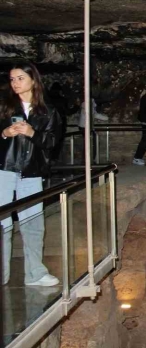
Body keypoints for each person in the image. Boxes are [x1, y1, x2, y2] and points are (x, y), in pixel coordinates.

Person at [0, 62, 61, 287]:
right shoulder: (4, 106)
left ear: (33, 80)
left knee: (33, 223)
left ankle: (35, 273)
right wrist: (4, 134)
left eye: (20, 78)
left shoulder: (48, 111)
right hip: (4, 170)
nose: (15, 83)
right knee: (2, 222)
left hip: (32, 172)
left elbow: (53, 142)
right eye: (12, 79)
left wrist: (33, 132)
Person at [78, 96, 108, 162]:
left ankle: (87, 160)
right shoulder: (89, 104)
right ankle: (89, 160)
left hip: (84, 126)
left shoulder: (87, 103)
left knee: (90, 143)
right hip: (85, 127)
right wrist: (105, 117)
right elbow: (93, 114)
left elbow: (93, 114)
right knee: (93, 143)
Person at [46, 82, 70, 163]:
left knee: (49, 142)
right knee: (58, 143)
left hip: (49, 124)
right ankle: (54, 160)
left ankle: (49, 160)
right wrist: (76, 107)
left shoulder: (47, 100)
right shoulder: (62, 100)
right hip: (60, 124)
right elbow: (67, 111)